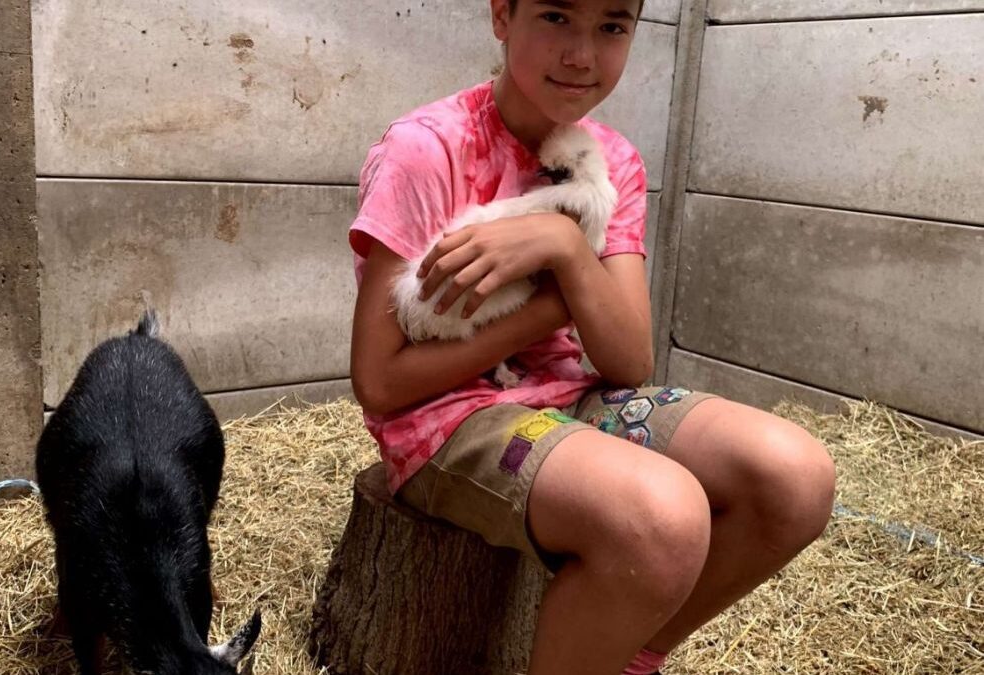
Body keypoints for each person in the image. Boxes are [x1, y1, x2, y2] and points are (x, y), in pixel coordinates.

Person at [349, 1, 837, 673]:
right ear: (502, 15)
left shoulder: (611, 161)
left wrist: (565, 246)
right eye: (556, 16)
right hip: (445, 418)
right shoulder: (426, 149)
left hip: (571, 393)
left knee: (793, 477)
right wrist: (556, 301)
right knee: (661, 517)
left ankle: (629, 657)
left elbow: (629, 359)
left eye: (611, 26)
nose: (582, 55)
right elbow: (379, 384)